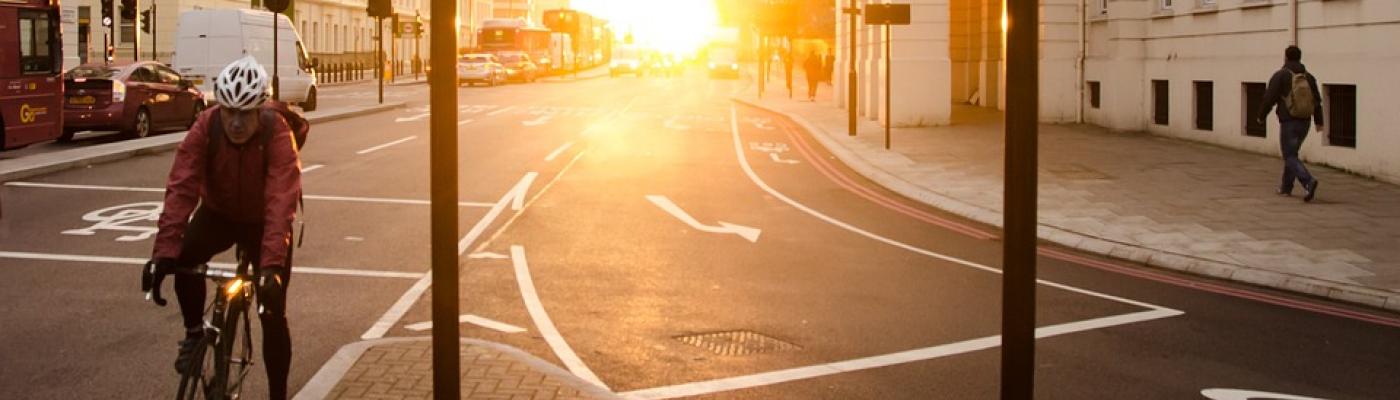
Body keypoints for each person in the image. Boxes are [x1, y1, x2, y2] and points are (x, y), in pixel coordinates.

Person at [146, 55, 301, 399]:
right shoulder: (206, 125)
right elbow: (181, 187)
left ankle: (279, 393)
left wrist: (272, 267)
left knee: (272, 313)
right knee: (184, 256)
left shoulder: (278, 133)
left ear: (261, 109)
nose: (235, 122)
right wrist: (162, 255)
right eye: (228, 111)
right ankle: (193, 334)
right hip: (220, 214)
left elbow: (280, 201)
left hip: (264, 223)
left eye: (245, 113)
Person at [1257, 45, 1324, 202]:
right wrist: (1319, 122)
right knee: (1292, 154)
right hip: (1305, 122)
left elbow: (1269, 98)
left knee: (1289, 155)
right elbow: (1317, 101)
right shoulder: (1309, 77)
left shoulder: (1281, 75)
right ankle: (1286, 187)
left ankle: (1308, 181)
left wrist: (1261, 116)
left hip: (1289, 121)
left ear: (1286, 57)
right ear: (1300, 58)